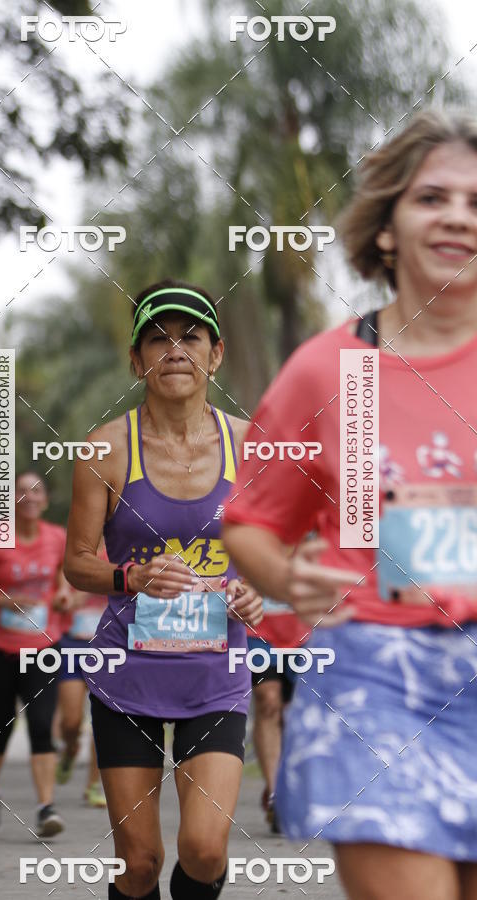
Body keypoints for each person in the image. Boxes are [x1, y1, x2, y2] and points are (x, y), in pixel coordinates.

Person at [223, 108, 477, 900]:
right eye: (433, 198)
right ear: (390, 226)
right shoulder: (327, 371)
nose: (460, 217)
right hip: (374, 673)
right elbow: (253, 521)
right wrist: (287, 578)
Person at [64, 279, 263, 900]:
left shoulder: (251, 445)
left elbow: (270, 553)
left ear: (215, 354)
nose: (174, 350)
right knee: (140, 863)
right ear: (136, 358)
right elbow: (76, 564)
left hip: (214, 671)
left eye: (190, 337)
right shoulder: (105, 447)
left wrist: (256, 589)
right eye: (157, 338)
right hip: (129, 673)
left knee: (204, 852)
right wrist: (131, 576)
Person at [0, 472, 71, 838]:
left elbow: (64, 578)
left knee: (42, 725)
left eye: (36, 490)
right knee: (1, 725)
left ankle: (46, 808)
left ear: (46, 499)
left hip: (43, 646)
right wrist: (6, 601)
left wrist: (63, 595)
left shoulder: (57, 537)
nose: (29, 496)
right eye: (21, 491)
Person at [246, 595, 306, 832]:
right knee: (268, 699)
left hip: (307, 623)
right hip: (257, 623)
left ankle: (289, 782)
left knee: (299, 710)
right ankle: (276, 797)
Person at [55, 542, 108, 808]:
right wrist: (76, 596)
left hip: (108, 646)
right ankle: (69, 749)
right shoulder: (71, 551)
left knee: (103, 720)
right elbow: (60, 600)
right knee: (71, 721)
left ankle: (93, 785)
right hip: (73, 644)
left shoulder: (122, 548)